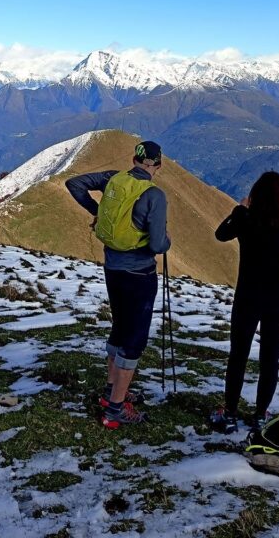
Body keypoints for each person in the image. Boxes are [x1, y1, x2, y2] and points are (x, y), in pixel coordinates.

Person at [65, 140, 171, 429]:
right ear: (158, 166)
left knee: (120, 328)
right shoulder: (154, 195)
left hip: (112, 267)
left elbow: (74, 183)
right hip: (140, 274)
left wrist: (95, 211)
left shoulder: (114, 178)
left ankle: (111, 391)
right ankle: (115, 409)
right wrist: (167, 240)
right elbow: (159, 244)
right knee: (134, 340)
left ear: (134, 160)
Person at [211, 171, 279, 433]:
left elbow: (220, 234)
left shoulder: (245, 221)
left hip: (248, 296)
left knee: (238, 356)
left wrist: (238, 210)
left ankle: (229, 413)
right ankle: (260, 414)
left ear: (255, 197)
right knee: (270, 359)